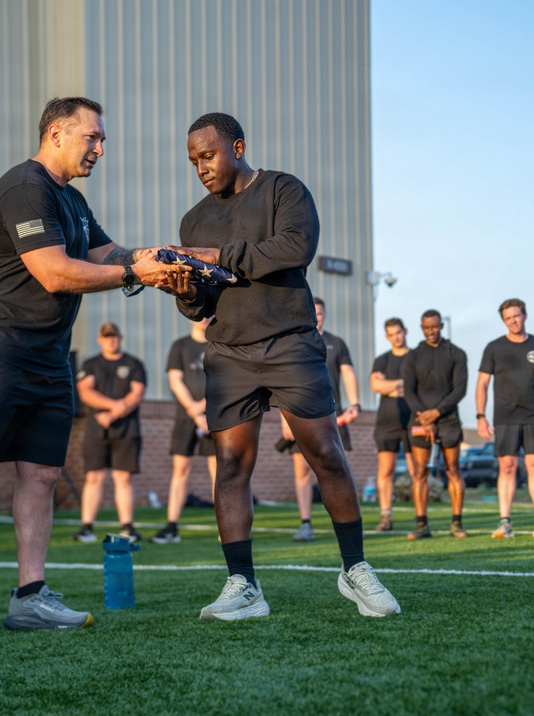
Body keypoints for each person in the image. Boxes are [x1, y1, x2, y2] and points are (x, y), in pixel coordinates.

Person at [0, 96, 178, 644]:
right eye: (92, 137)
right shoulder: (25, 186)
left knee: (41, 473)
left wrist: (169, 257)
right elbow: (54, 272)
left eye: (102, 139)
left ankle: (30, 597)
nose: (100, 148)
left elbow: (109, 252)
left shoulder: (72, 200)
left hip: (48, 355)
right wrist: (135, 275)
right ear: (57, 135)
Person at [165, 112, 400, 620]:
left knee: (326, 454)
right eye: (193, 161)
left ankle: (355, 570)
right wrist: (185, 291)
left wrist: (214, 256)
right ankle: (243, 586)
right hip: (228, 352)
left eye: (208, 155)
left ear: (238, 146)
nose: (201, 168)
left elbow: (296, 248)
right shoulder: (193, 219)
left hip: (290, 344)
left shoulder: (283, 190)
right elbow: (201, 304)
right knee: (230, 467)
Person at [476, 299, 534, 540]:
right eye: (508, 318)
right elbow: (482, 384)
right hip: (505, 417)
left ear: (524, 315)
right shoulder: (494, 348)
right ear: (504, 321)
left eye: (516, 316)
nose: (513, 321)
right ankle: (505, 523)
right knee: (507, 467)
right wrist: (481, 416)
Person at [280, 297, 360, 542]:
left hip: (332, 416)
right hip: (298, 414)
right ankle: (306, 524)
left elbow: (348, 373)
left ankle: (344, 525)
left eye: (320, 312)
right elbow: (282, 380)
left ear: (324, 314)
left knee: (337, 470)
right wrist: (285, 420)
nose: (317, 316)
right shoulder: (293, 341)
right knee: (302, 472)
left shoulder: (336, 343)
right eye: (313, 312)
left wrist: (355, 404)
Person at [72, 322, 147, 542]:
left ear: (120, 337)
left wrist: (112, 414)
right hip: (96, 430)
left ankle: (127, 527)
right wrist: (114, 406)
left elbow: (137, 394)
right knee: (93, 476)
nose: (111, 340)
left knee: (122, 478)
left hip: (126, 429)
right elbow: (85, 391)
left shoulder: (134, 364)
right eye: (106, 337)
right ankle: (86, 527)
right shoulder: (92, 364)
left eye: (114, 336)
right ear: (100, 340)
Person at [401, 310, 468, 540]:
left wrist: (436, 413)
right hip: (419, 421)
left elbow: (460, 389)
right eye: (427, 327)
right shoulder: (413, 356)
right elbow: (408, 390)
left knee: (453, 470)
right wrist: (424, 417)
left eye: (435, 327)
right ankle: (421, 525)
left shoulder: (456, 354)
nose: (431, 331)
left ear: (441, 326)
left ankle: (456, 524)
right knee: (420, 472)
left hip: (448, 421)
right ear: (421, 327)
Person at [152, 316, 217, 544]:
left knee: (218, 472)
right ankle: (171, 527)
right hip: (186, 417)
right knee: (180, 471)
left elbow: (225, 380)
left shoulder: (219, 344)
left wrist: (205, 409)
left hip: (215, 416)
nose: (203, 319)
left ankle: (226, 528)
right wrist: (195, 411)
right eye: (199, 315)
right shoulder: (180, 346)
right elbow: (175, 381)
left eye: (208, 314)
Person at [369, 317, 412, 532]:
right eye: (392, 334)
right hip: (387, 421)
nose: (396, 337)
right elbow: (376, 385)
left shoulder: (416, 357)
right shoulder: (382, 360)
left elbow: (418, 387)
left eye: (399, 332)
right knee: (386, 469)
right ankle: (386, 516)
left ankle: (420, 518)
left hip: (413, 420)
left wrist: (390, 386)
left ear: (405, 331)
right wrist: (402, 384)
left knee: (417, 470)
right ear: (387, 336)